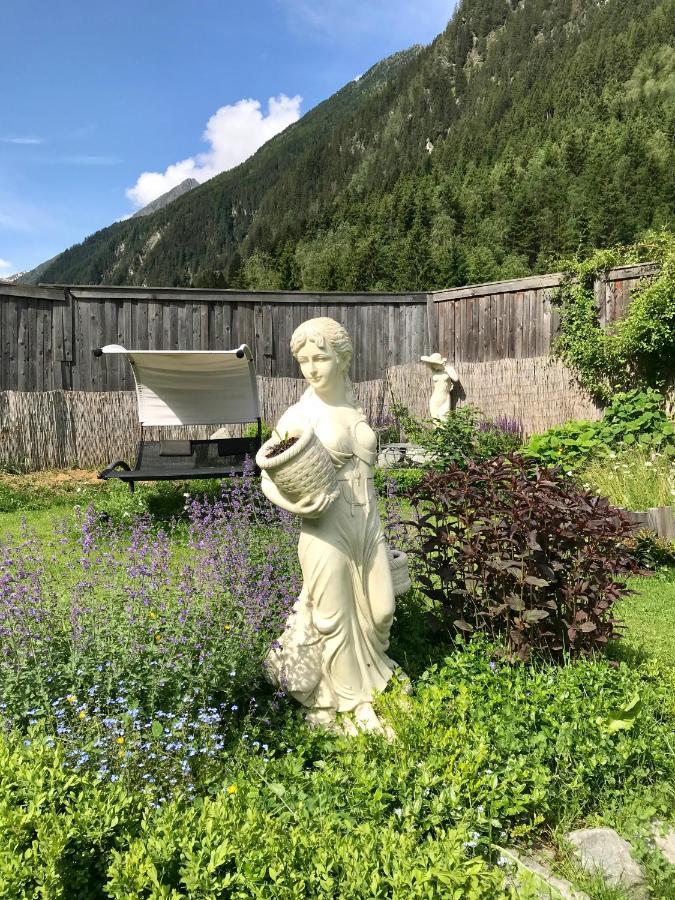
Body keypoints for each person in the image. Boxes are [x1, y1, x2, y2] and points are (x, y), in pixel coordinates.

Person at [261, 317, 402, 734]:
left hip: (367, 524)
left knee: (381, 611)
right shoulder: (300, 414)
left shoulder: (353, 405)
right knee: (335, 621)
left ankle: (372, 679)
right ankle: (354, 705)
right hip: (325, 530)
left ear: (342, 358)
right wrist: (297, 501)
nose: (311, 368)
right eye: (303, 360)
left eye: (319, 358)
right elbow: (267, 474)